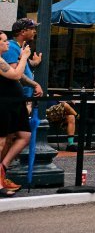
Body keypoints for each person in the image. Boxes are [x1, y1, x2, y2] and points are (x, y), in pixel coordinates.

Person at [0, 38, 33, 196]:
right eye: (4, 41)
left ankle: (2, 168)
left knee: (24, 135)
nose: (7, 43)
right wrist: (25, 57)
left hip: (13, 103)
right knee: (1, 142)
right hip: (3, 104)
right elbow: (15, 75)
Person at [2, 18, 41, 100]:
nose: (34, 31)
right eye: (32, 28)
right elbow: (15, 73)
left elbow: (23, 63)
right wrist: (35, 84)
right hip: (15, 99)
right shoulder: (11, 48)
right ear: (23, 32)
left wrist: (35, 62)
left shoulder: (18, 47)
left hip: (23, 98)